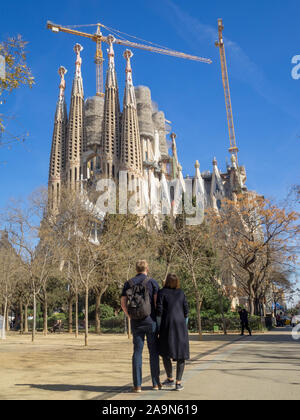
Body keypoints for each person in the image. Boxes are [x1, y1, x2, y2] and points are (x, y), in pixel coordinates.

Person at [121, 260, 160, 393]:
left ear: (136, 269)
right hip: (151, 321)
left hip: (136, 322)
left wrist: (130, 315)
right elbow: (156, 302)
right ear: (147, 268)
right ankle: (155, 383)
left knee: (137, 352)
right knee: (153, 351)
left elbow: (123, 303)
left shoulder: (128, 283)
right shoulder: (152, 282)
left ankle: (137, 385)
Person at [156, 273, 189, 392]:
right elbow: (186, 311)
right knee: (181, 355)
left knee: (165, 353)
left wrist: (158, 327)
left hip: (166, 326)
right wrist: (183, 326)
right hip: (180, 326)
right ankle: (178, 383)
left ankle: (170, 378)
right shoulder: (181, 293)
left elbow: (159, 311)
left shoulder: (161, 292)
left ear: (166, 282)